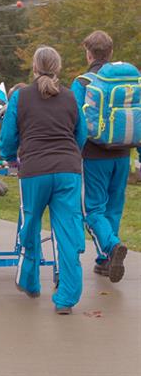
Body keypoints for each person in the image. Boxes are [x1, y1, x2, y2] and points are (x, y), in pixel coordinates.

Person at [0, 46, 88, 315]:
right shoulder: (71, 98)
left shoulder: (21, 97)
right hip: (68, 170)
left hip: (34, 170)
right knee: (69, 232)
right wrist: (72, 156)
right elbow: (81, 134)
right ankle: (66, 298)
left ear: (34, 68)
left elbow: (8, 136)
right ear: (57, 68)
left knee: (31, 226)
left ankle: (30, 280)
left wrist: (10, 157)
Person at [71, 31, 141, 282]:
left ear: (88, 53)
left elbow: (76, 122)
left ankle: (111, 247)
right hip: (123, 153)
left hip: (93, 155)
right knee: (114, 206)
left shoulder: (82, 83)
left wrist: (73, 153)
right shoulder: (129, 84)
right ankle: (104, 260)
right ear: (110, 53)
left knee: (92, 210)